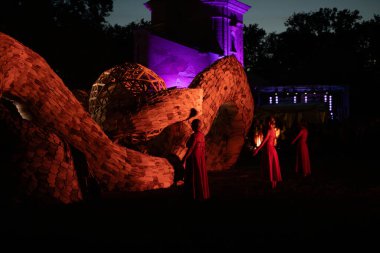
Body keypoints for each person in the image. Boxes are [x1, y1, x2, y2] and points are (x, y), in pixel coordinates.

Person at [182, 119, 210, 201]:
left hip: (193, 158)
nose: (191, 126)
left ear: (194, 126)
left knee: (194, 175)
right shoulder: (202, 135)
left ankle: (194, 194)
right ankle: (202, 193)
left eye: (192, 125)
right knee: (200, 174)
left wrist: (184, 158)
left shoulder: (194, 136)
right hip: (200, 158)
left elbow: (190, 148)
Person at [253, 116, 282, 189]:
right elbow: (274, 142)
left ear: (269, 123)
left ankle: (272, 184)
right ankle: (274, 184)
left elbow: (264, 141)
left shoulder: (269, 131)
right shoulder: (274, 130)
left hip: (269, 150)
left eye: (266, 122)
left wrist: (257, 149)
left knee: (270, 166)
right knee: (273, 166)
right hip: (273, 150)